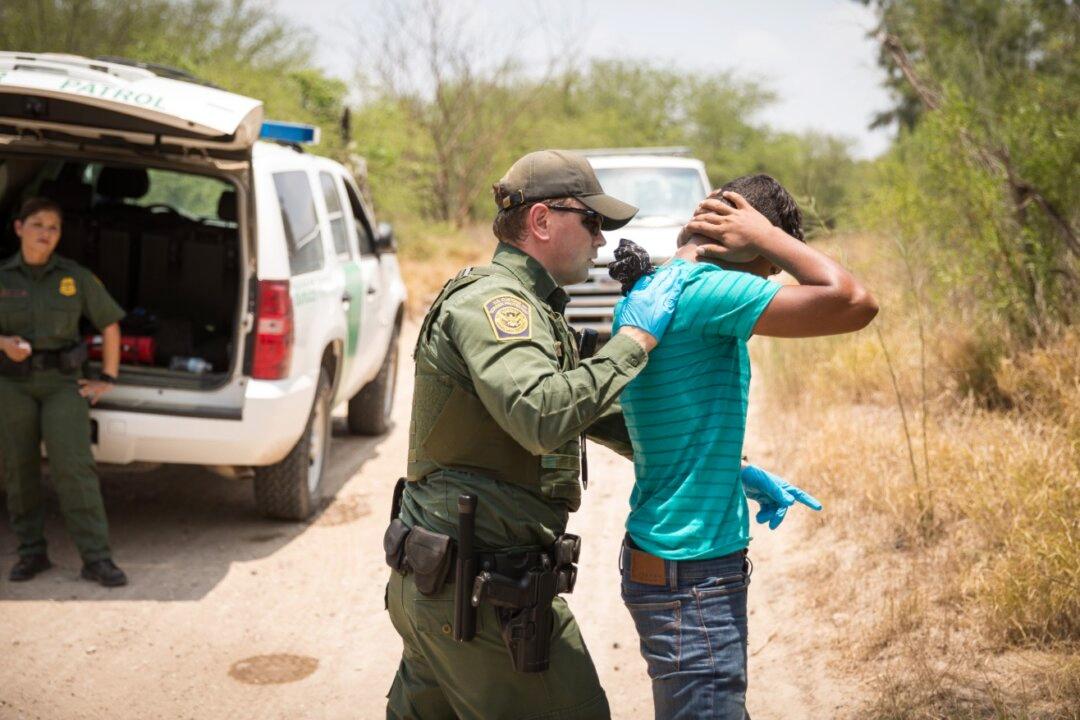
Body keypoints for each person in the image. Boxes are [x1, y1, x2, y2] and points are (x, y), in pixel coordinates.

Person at [384, 149, 687, 720]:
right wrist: (635, 342)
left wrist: (710, 462)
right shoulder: (497, 305)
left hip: (449, 585)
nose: (601, 240)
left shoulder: (534, 311)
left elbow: (586, 411)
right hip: (480, 595)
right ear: (542, 221)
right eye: (592, 222)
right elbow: (542, 413)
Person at [610, 174, 878, 719]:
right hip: (694, 580)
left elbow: (676, 412)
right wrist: (766, 234)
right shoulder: (706, 291)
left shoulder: (660, 286)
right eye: (768, 261)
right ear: (743, 239)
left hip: (673, 568)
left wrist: (735, 468)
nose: (772, 274)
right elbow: (854, 303)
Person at [0, 196, 128, 587]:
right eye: (37, 224)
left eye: (53, 227)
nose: (46, 234)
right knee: (18, 471)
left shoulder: (74, 277)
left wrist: (108, 376)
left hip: (61, 385)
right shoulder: (3, 276)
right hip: (13, 385)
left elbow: (109, 324)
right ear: (19, 228)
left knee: (74, 468)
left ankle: (96, 558)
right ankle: (32, 554)